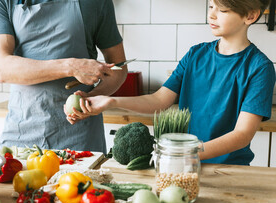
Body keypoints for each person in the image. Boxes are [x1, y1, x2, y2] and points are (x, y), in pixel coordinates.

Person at [67, 0, 276, 165]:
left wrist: (185, 153)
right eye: (211, 5)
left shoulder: (260, 67)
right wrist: (111, 102)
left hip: (230, 170)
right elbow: (159, 99)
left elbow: (242, 135)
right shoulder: (196, 54)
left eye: (223, 10)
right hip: (184, 164)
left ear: (250, 15)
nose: (211, 14)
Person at [0, 0, 127, 153]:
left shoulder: (96, 3)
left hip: (80, 138)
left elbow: (118, 69)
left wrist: (91, 99)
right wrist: (70, 67)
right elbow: (2, 68)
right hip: (21, 135)